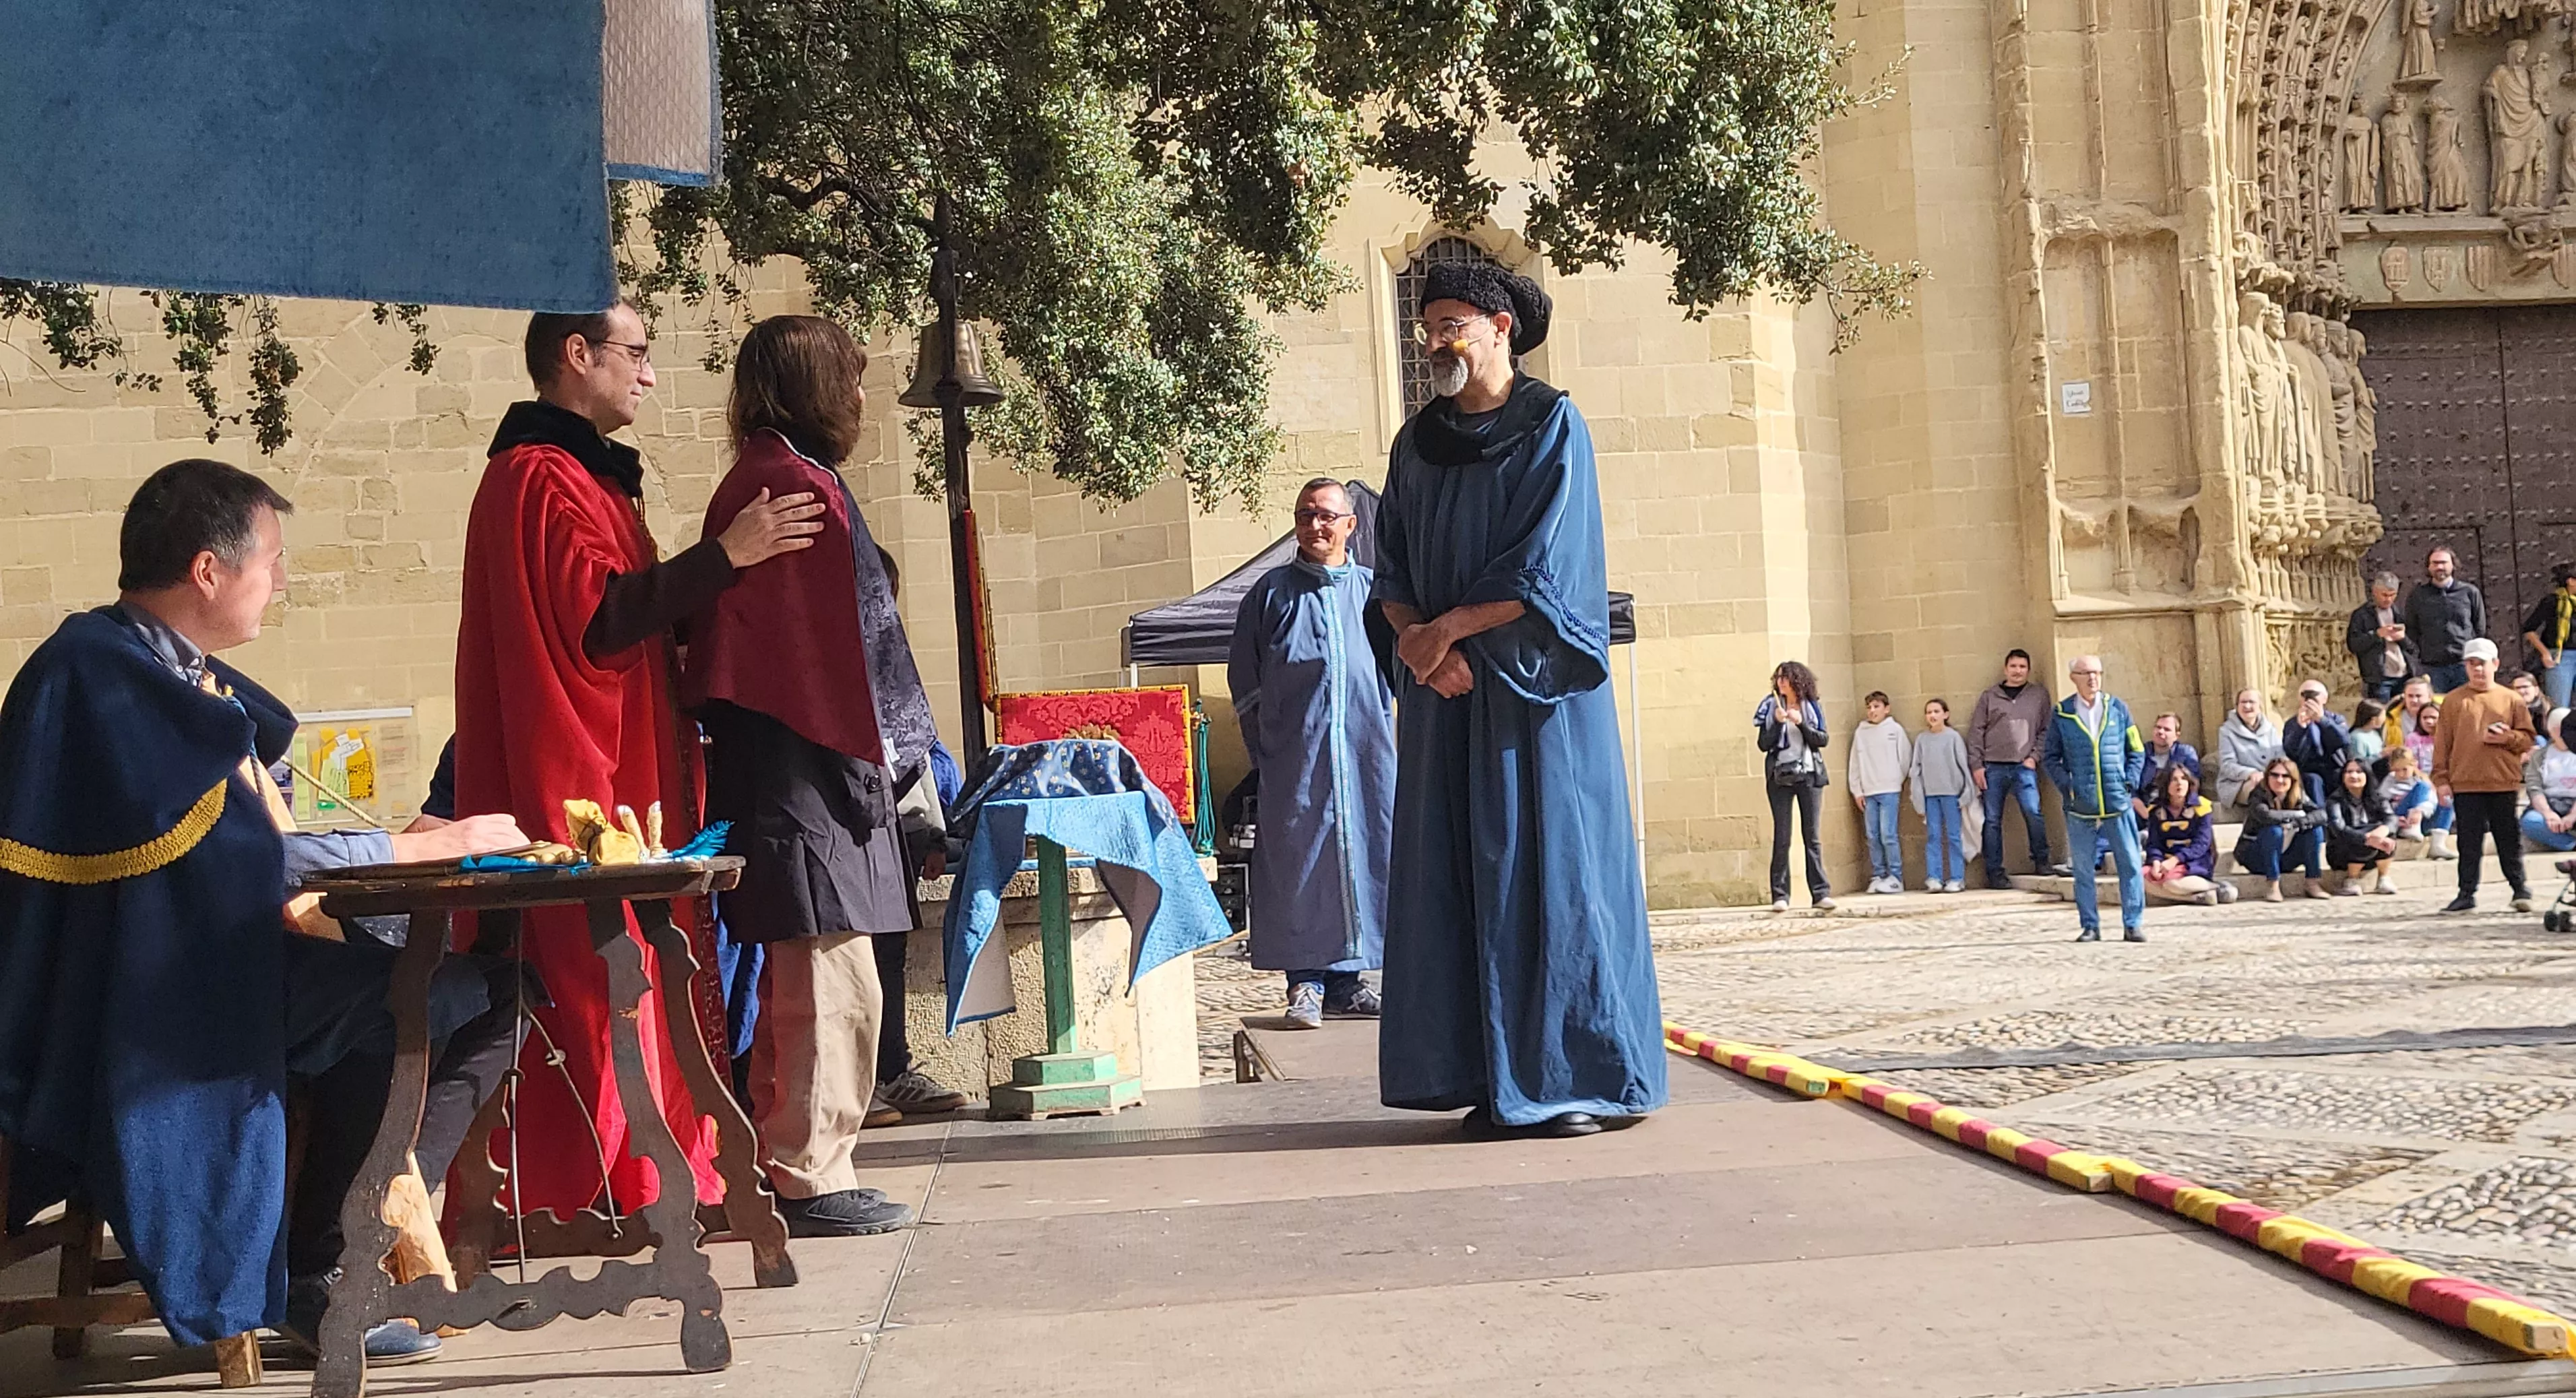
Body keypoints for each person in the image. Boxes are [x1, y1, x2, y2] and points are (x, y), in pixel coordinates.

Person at [0, 461, 530, 1366]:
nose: (280, 581)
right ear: (209, 569)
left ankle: (339, 1235)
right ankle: (316, 1268)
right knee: (401, 998)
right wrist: (413, 847)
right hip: (139, 1006)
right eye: (271, 560)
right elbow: (234, 856)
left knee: (479, 987)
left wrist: (396, 841)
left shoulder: (180, 678)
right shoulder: (97, 674)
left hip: (210, 968)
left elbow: (243, 834)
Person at [453, 303, 824, 1222]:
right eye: (638, 354)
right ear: (577, 356)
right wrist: (725, 556)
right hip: (578, 783)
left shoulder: (586, 478)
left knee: (634, 977)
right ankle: (597, 1185)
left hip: (627, 767)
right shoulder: (537, 477)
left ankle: (655, 1173)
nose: (650, 376)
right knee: (591, 980)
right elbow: (598, 622)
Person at [1372, 259, 1665, 1139]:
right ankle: (1485, 1079)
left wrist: (1449, 630)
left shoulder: (1551, 426)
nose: (1435, 341)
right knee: (1452, 874)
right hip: (1445, 695)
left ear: (1500, 328)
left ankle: (1574, 1077)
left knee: (1549, 874)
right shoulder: (1413, 443)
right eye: (1427, 326)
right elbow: (1388, 567)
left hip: (1534, 700)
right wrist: (1420, 647)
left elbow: (1549, 565)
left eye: (1451, 323)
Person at [682, 315, 949, 1238]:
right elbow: (823, 655)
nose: (864, 400)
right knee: (825, 985)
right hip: (807, 770)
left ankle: (806, 1160)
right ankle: (805, 1170)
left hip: (799, 768)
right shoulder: (791, 484)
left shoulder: (774, 475)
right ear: (811, 387)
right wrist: (880, 764)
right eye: (850, 379)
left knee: (830, 980)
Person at [1227, 476, 1395, 1029]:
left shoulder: (1376, 593)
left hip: (1366, 758)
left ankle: (1348, 983)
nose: (1315, 525)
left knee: (1365, 858)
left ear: (1349, 524)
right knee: (1301, 865)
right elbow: (1246, 682)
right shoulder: (1270, 595)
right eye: (1304, 516)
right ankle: (1305, 983)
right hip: (1295, 762)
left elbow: (1399, 672)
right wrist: (1267, 750)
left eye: (1326, 515)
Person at [867, 547, 968, 1122]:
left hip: (893, 826)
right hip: (838, 824)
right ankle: (856, 1083)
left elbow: (914, 749)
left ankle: (892, 1070)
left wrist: (929, 831)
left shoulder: (887, 657)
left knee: (889, 952)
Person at [2041, 654, 2147, 943]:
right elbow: (2050, 757)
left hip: (2117, 800)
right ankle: (2090, 925)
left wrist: (2129, 782)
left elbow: (2136, 750)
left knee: (2130, 864)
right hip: (2081, 803)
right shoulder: (2062, 713)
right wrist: (2068, 785)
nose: (2093, 679)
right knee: (2084, 869)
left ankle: (2133, 923)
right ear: (2074, 677)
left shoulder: (2117, 708)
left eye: (2097, 673)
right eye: (2086, 673)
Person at [2432, 637, 2536, 913]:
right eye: (2472, 664)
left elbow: (2527, 740)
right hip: (2466, 782)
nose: (2478, 669)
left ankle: (2520, 888)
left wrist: (2508, 737)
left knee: (2508, 839)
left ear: (2496, 664)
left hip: (2502, 781)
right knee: (2468, 842)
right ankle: (2466, 893)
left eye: (2483, 664)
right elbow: (2443, 744)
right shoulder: (2453, 701)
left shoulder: (2512, 699)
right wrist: (2441, 780)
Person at [1968, 649, 2062, 886]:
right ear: (2005, 669)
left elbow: (2046, 730)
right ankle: (1994, 873)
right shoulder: (1990, 696)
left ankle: (2042, 861)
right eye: (2013, 666)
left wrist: (2034, 758)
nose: (2017, 671)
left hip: (2024, 767)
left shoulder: (2038, 695)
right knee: (1992, 820)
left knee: (2033, 812)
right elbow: (1977, 731)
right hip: (1993, 767)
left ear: (2028, 670)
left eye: (2022, 667)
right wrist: (1977, 766)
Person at [1757, 662, 1836, 910]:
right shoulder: (1771, 706)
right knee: (1782, 836)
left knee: (1811, 836)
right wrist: (1779, 723)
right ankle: (1780, 895)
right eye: (1779, 678)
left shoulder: (1811, 707)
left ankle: (1820, 892)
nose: (1781, 682)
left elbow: (1822, 739)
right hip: (1780, 777)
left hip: (1809, 776)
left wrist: (1802, 723)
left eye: (1786, 678)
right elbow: (1763, 744)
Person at [2236, 757, 2330, 901]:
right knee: (2274, 831)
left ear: (2293, 779)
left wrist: (2298, 823)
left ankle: (2312, 882)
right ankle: (2272, 885)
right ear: (2267, 777)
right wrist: (2296, 815)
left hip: (2285, 857)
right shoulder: (2258, 794)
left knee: (2315, 830)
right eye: (2274, 775)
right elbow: (2266, 816)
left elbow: (2321, 815)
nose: (2280, 780)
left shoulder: (2299, 795)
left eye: (2285, 776)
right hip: (2256, 856)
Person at [2141, 765, 2235, 905]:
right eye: (2174, 780)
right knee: (2138, 878)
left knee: (2170, 883)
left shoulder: (2201, 807)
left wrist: (2176, 860)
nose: (2179, 783)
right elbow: (2154, 843)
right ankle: (2195, 898)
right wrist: (2155, 861)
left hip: (2194, 861)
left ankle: (2218, 888)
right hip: (2165, 862)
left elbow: (2202, 843)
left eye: (2183, 779)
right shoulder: (2157, 811)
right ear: (2166, 784)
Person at [1848, 690, 1912, 893]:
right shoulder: (1861, 733)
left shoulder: (1895, 730)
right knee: (1872, 835)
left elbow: (1905, 759)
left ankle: (1896, 876)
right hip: (1869, 791)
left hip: (1889, 790)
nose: (1872, 711)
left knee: (1888, 834)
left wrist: (1895, 781)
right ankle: (1878, 874)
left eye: (1877, 707)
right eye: (1869, 707)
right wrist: (1857, 790)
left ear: (1887, 709)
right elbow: (1855, 763)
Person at [1910, 697, 1974, 893]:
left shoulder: (1953, 737)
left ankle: (1957, 877)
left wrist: (1965, 793)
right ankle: (1934, 877)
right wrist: (1918, 801)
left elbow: (1963, 766)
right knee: (1933, 836)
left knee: (1954, 836)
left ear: (1945, 714)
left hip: (1951, 795)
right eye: (1929, 712)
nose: (1932, 716)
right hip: (1931, 796)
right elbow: (1916, 770)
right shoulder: (1922, 739)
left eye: (1936, 711)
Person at [2404, 546, 2486, 693]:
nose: (2439, 567)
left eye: (2444, 562)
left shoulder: (2469, 592)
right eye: (2435, 563)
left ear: (2453, 565)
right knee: (2436, 710)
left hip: (2463, 665)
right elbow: (2411, 628)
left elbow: (2479, 627)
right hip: (2432, 667)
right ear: (2428, 567)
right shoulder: (2418, 596)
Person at [2324, 757, 2401, 895]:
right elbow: (2339, 829)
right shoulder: (2334, 800)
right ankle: (2351, 880)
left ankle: (2383, 878)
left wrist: (2382, 831)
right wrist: (2367, 838)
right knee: (2365, 839)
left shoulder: (2377, 796)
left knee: (2388, 834)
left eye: (2359, 772)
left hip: (2374, 850)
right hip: (2342, 852)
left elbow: (2391, 818)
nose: (2354, 775)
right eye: (2349, 772)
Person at [2348, 572, 2418, 703]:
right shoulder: (2362, 615)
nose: (2388, 599)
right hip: (2380, 678)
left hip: (2404, 674)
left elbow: (2413, 647)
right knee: (2381, 715)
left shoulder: (2400, 613)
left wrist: (2402, 638)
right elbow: (2354, 644)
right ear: (2375, 592)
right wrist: (2377, 635)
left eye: (2393, 595)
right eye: (2384, 595)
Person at [2282, 679, 2352, 806]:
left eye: (2314, 695)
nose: (2309, 700)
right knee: (2313, 780)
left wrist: (2322, 720)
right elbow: (2290, 751)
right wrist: (2300, 728)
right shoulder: (2292, 723)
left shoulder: (2336, 719)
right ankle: (2320, 818)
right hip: (2308, 768)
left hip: (2335, 766)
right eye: (2305, 695)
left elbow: (2344, 741)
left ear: (2325, 699)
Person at [2216, 687, 2284, 816]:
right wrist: (2251, 773)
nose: (2247, 706)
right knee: (2260, 788)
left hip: (2269, 777)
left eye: (2251, 702)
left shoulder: (2270, 729)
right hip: (2238, 784)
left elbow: (2280, 757)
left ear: (2260, 706)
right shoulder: (2226, 731)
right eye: (2243, 702)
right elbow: (2227, 765)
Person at [2521, 709, 2576, 854]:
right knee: (2531, 822)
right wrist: (2548, 813)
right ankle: (2569, 844)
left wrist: (2572, 815)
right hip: (2550, 803)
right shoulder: (2540, 756)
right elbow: (2534, 788)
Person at [2521, 563, 2576, 710]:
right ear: (2571, 581)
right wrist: (2545, 653)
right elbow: (2529, 629)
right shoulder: (2553, 601)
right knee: (2558, 707)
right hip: (2560, 658)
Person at [2408, 702, 2457, 858]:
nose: (2429, 721)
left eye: (2433, 717)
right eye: (2425, 718)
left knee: (2448, 796)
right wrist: (2430, 782)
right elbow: (2411, 765)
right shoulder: (2413, 738)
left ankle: (2438, 843)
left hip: (2444, 781)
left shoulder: (2451, 739)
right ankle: (2415, 824)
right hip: (2421, 782)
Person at [2380, 745, 2449, 854]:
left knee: (2447, 800)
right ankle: (2409, 828)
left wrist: (2419, 811)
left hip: (2421, 818)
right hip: (2401, 816)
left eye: (2405, 769)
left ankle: (2438, 843)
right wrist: (2394, 817)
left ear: (2414, 765)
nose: (2401, 774)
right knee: (2423, 787)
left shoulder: (2422, 779)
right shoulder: (2391, 779)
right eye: (2397, 770)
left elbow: (2432, 801)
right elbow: (2382, 800)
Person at [2132, 712, 2200, 819]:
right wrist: (2146, 814)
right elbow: (2131, 788)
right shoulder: (2141, 753)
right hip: (2144, 810)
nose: (2160, 732)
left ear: (2177, 735)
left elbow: (2193, 784)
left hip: (2176, 810)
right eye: (2158, 727)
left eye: (2167, 729)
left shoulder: (2185, 753)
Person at [2351, 698, 2389, 767]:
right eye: (2383, 715)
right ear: (2373, 719)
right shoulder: (2357, 737)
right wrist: (2381, 755)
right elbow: (2358, 763)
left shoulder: (2375, 733)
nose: (2385, 719)